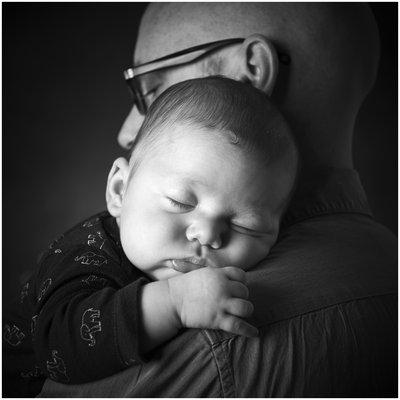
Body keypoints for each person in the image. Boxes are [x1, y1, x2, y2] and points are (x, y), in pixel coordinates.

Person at [39, 3, 397, 398]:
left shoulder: (212, 335)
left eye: (153, 88)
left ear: (250, 73)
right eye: (179, 201)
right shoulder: (386, 263)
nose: (128, 130)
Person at [4, 77, 298, 390]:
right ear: (120, 190)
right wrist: (175, 302)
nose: (208, 236)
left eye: (245, 226)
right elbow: (57, 347)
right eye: (181, 202)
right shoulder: (85, 254)